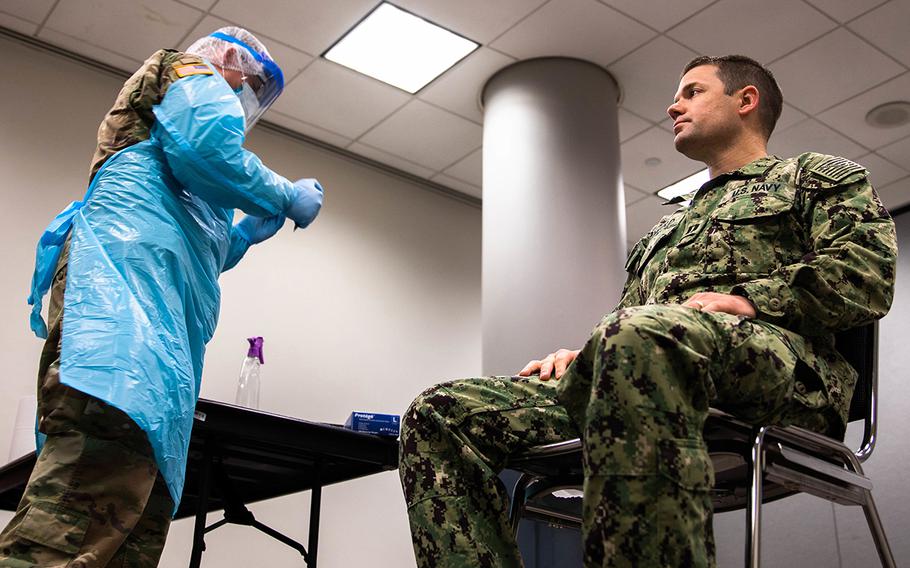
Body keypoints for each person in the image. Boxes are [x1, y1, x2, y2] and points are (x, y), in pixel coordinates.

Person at [398, 55, 897, 567]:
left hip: (784, 377)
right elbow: (629, 322)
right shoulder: (663, 232)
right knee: (438, 414)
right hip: (653, 360)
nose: (672, 105)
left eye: (693, 92)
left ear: (746, 100)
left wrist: (754, 299)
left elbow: (867, 273)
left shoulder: (811, 178)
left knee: (643, 336)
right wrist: (588, 355)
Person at [0, 27, 324, 567]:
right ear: (230, 61)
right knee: (75, 518)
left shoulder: (177, 173)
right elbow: (206, 147)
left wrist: (240, 234)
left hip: (153, 354)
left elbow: (186, 246)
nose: (246, 96)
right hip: (121, 331)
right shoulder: (186, 71)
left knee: (125, 530)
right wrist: (284, 193)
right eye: (250, 81)